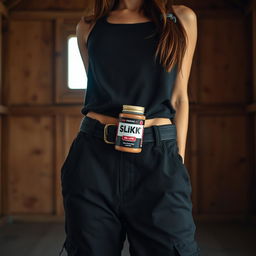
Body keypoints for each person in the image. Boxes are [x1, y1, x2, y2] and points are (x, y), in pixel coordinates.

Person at [59, 0, 199, 255]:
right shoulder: (88, 26)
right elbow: (100, 91)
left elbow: (179, 97)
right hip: (93, 160)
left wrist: (176, 161)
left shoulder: (180, 19)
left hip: (158, 159)